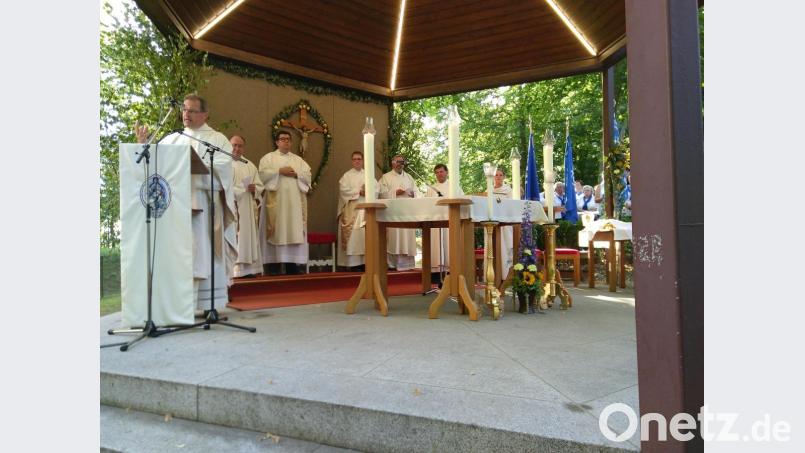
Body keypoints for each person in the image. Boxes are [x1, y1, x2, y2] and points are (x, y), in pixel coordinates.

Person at [134, 94, 237, 312]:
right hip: (174, 209)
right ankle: (178, 304)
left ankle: (210, 304)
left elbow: (224, 172)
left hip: (204, 206)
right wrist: (143, 146)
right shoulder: (173, 139)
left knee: (203, 251)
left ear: (204, 114)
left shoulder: (218, 140)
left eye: (191, 110)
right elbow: (154, 167)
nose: (185, 114)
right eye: (184, 110)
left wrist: (192, 171)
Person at [258, 130, 312, 275]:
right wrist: (279, 171)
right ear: (277, 142)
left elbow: (307, 175)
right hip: (276, 203)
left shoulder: (298, 160)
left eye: (288, 139)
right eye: (282, 139)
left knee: (292, 229)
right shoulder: (268, 158)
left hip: (294, 204)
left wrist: (296, 174)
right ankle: (274, 265)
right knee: (278, 229)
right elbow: (262, 175)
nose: (286, 141)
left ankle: (291, 265)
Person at [230, 135, 264, 278]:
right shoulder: (224, 163)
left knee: (248, 237)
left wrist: (254, 189)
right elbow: (222, 187)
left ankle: (249, 270)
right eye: (234, 145)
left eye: (240, 146)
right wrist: (240, 190)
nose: (237, 149)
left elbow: (260, 185)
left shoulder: (250, 165)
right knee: (236, 237)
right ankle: (234, 271)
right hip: (233, 208)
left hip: (248, 209)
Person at [378, 155, 418, 271]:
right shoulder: (386, 177)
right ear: (393, 163)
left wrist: (413, 194)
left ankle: (408, 265)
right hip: (393, 213)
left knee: (406, 238)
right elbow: (381, 193)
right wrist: (395, 192)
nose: (400, 164)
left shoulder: (409, 177)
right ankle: (392, 264)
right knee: (394, 238)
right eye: (398, 162)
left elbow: (417, 191)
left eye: (402, 162)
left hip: (407, 213)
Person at [425, 163, 462, 284]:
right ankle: (436, 273)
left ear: (446, 172)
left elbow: (461, 199)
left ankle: (451, 271)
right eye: (437, 172)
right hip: (435, 222)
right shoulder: (431, 188)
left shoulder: (454, 186)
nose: (439, 174)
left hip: (450, 220)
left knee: (449, 244)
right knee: (436, 245)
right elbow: (425, 204)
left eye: (441, 171)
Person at [337, 151, 374, 270]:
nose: (357, 161)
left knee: (364, 236)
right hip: (352, 208)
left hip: (366, 208)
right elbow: (343, 190)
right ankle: (353, 264)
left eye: (359, 159)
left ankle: (365, 263)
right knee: (353, 236)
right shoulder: (347, 176)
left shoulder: (368, 175)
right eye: (354, 159)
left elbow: (377, 188)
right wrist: (359, 191)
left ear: (363, 161)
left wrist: (369, 191)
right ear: (352, 161)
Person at [493, 168, 514, 273]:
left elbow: (511, 205)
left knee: (507, 245)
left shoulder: (508, 190)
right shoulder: (488, 190)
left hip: (505, 222)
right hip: (493, 222)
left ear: (504, 177)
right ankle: (495, 271)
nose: (498, 177)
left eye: (500, 175)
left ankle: (507, 272)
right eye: (496, 175)